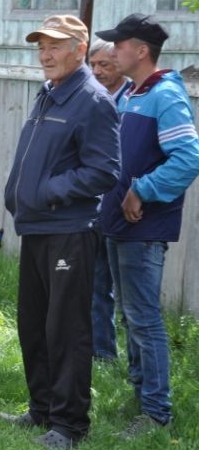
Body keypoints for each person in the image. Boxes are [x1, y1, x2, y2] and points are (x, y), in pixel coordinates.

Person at [0, 14, 120, 450]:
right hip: (36, 227)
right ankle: (42, 410)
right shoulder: (50, 93)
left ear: (79, 49)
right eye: (41, 46)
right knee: (34, 324)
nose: (45, 54)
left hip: (69, 230)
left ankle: (70, 425)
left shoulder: (92, 99)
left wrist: (49, 191)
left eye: (54, 46)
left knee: (65, 329)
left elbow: (104, 171)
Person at [96, 14, 199, 438]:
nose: (113, 51)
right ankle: (141, 398)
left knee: (144, 319)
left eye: (119, 45)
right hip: (119, 224)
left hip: (142, 227)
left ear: (141, 50)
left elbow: (188, 158)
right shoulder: (133, 94)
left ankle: (156, 413)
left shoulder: (166, 94)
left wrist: (143, 190)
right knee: (129, 313)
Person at [87, 38, 132, 362]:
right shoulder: (91, 98)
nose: (97, 71)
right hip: (93, 207)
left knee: (130, 295)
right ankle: (102, 351)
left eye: (105, 64)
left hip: (126, 208)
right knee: (95, 283)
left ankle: (138, 366)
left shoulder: (133, 100)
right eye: (94, 65)